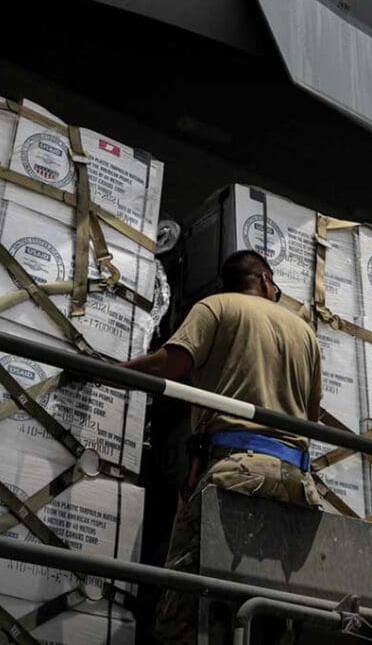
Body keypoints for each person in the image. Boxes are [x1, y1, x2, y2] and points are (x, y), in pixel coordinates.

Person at [122, 248, 322, 643]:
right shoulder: (304, 331)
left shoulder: (215, 307)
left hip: (236, 474)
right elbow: (312, 418)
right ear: (265, 281)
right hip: (298, 486)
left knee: (184, 606)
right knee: (269, 613)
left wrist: (108, 370)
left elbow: (170, 366)